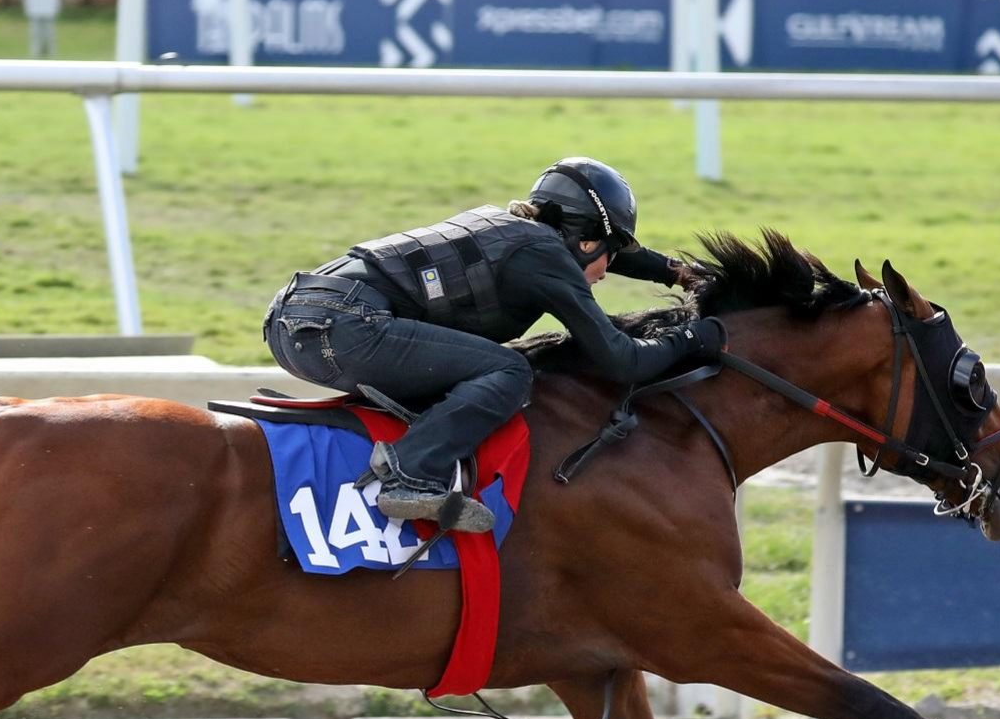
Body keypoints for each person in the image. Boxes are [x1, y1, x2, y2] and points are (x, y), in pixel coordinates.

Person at [262, 158, 723, 532]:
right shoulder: (543, 258)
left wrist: (676, 271)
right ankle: (410, 473)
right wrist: (697, 334)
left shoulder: (518, 232)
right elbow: (622, 360)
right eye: (609, 254)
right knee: (508, 370)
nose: (606, 272)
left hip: (293, 323)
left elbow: (607, 250)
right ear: (584, 241)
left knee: (467, 371)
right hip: (343, 329)